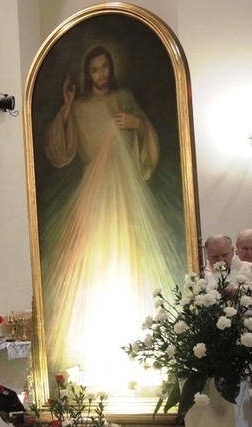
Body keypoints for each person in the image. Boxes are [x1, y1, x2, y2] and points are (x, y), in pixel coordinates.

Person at [41, 44, 184, 391]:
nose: (101, 75)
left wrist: (136, 123)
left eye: (105, 68)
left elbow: (147, 135)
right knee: (96, 254)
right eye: (94, 70)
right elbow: (62, 152)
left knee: (131, 248)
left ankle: (141, 344)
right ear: (86, 74)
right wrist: (68, 105)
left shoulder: (124, 96)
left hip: (126, 183)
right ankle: (98, 345)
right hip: (96, 186)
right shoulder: (79, 107)